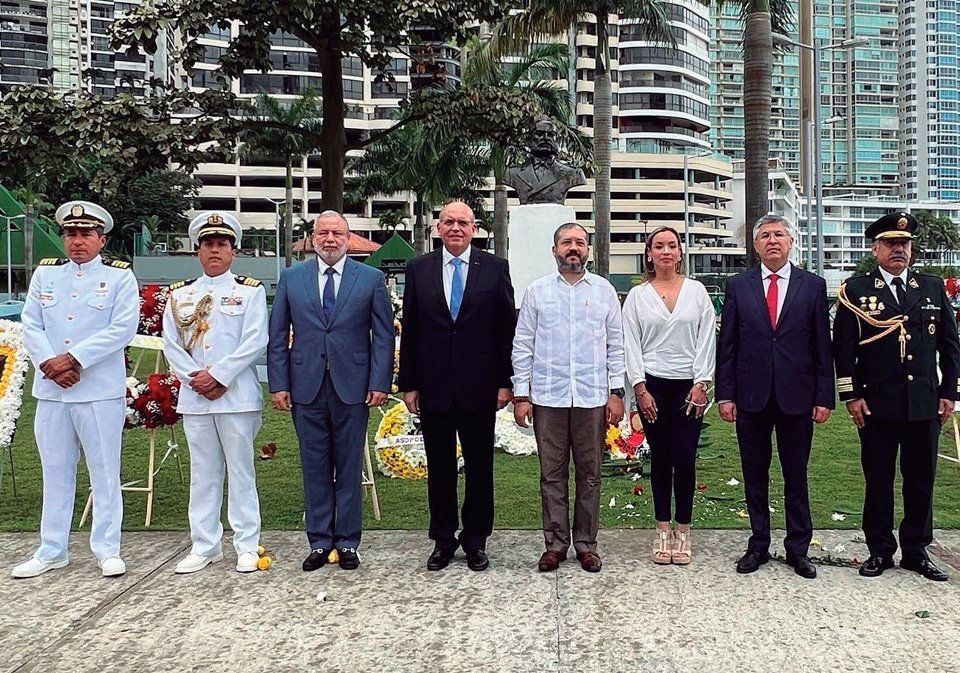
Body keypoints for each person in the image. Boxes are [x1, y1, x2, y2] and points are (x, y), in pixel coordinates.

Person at [14, 201, 139, 579]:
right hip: (53, 389)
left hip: (98, 389)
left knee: (104, 471)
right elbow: (30, 324)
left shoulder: (119, 278)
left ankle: (107, 548)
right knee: (55, 470)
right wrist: (50, 364)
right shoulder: (45, 275)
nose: (78, 241)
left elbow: (122, 328)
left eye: (86, 234)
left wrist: (74, 359)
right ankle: (52, 548)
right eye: (71, 234)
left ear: (102, 239)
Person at [834, 212, 960, 582]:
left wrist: (949, 393)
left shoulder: (932, 288)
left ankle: (917, 552)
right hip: (876, 404)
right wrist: (851, 396)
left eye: (904, 244)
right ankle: (879, 551)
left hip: (924, 403)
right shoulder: (856, 291)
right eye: (891, 243)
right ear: (876, 249)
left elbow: (950, 348)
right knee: (878, 479)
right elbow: (842, 350)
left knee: (921, 480)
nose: (899, 249)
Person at [267, 210, 393, 571]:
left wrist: (379, 382)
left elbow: (383, 337)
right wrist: (279, 384)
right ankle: (320, 541)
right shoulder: (292, 278)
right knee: (314, 466)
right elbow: (277, 336)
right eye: (323, 233)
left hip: (353, 387)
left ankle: (349, 542)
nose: (330, 239)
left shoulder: (369, 279)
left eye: (337, 233)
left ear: (348, 238)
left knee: (350, 465)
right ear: (313, 238)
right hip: (305, 387)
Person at [397, 201, 516, 572]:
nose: (455, 228)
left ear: (474, 228)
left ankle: (476, 540)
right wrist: (409, 384)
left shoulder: (495, 268)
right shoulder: (419, 268)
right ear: (437, 227)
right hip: (433, 386)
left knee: (480, 467)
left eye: (463, 222)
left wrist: (504, 381)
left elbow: (504, 331)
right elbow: (411, 329)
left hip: (480, 387)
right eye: (448, 222)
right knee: (440, 467)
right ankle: (443, 539)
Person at [716, 215, 834, 579]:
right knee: (755, 475)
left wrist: (824, 397)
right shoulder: (738, 285)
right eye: (764, 236)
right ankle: (759, 544)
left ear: (791, 242)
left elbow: (821, 346)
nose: (772, 241)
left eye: (779, 235)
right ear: (755, 245)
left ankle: (798, 548)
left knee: (795, 475)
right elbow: (728, 345)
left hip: (796, 398)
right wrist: (726, 395)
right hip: (751, 397)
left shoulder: (812, 286)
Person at [512, 222, 625, 573]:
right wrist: (521, 394)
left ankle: (587, 545)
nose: (573, 248)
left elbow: (616, 345)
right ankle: (556, 544)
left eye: (579, 242)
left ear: (588, 250)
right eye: (566, 243)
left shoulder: (604, 291)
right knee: (552, 474)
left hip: (592, 397)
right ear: (554, 250)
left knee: (590, 473)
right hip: (549, 397)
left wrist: (616, 392)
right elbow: (523, 344)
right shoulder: (537, 291)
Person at [162, 212, 268, 574]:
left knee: (241, 472)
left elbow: (256, 340)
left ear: (233, 251)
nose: (215, 250)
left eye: (222, 244)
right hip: (196, 397)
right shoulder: (179, 296)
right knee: (203, 474)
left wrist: (220, 376)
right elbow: (171, 345)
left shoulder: (249, 291)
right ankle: (205, 544)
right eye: (208, 244)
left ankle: (247, 544)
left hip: (236, 395)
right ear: (198, 251)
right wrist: (197, 378)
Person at [622, 226, 716, 565]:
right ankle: (663, 528)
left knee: (686, 457)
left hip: (689, 387)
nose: (665, 251)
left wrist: (702, 383)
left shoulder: (697, 291)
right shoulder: (637, 296)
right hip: (653, 387)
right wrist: (639, 387)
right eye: (658, 246)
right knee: (661, 458)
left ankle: (684, 529)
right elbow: (629, 344)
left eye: (671, 246)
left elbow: (707, 338)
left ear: (680, 253)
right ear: (649, 253)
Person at [504, 120, 586, 205]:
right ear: (529, 140)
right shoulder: (512, 173)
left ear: (557, 140)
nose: (546, 138)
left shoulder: (573, 174)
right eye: (539, 134)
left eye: (551, 135)